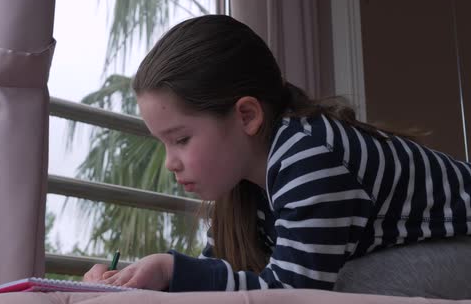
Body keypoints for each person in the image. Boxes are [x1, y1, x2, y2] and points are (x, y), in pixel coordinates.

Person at [82, 15, 471, 292]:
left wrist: (172, 270)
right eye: (164, 143)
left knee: (342, 286)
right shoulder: (247, 187)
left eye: (181, 139)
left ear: (247, 116)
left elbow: (290, 291)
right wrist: (134, 282)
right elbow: (221, 277)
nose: (170, 162)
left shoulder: (309, 157)